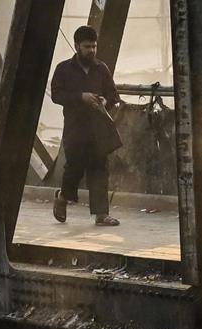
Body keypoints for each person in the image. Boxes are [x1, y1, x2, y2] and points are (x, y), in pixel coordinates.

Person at [50, 25, 122, 227]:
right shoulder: (63, 69)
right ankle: (63, 198)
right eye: (87, 46)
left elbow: (113, 95)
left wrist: (104, 102)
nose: (91, 50)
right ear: (76, 46)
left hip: (97, 130)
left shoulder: (101, 69)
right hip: (75, 129)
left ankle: (101, 214)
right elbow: (56, 95)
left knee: (99, 169)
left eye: (94, 46)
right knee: (74, 169)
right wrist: (80, 97)